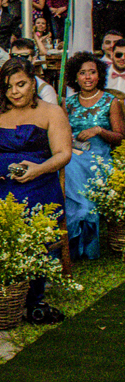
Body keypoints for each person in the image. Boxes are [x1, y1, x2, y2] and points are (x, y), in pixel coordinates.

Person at [0, 58, 72, 324]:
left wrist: (38, 169)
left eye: (21, 85)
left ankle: (33, 297)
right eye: (8, 87)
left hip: (38, 180)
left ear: (33, 83)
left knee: (31, 219)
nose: (15, 92)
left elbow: (64, 154)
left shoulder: (52, 112)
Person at [63, 53, 125, 260]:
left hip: (99, 155)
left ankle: (84, 226)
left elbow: (119, 137)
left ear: (99, 75)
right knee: (67, 163)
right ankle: (75, 233)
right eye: (82, 73)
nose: (88, 77)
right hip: (74, 152)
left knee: (70, 166)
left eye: (92, 72)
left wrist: (99, 130)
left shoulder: (111, 101)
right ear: (75, 77)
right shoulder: (68, 103)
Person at [5, 38, 59, 105]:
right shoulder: (1, 87)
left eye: (24, 57)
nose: (18, 62)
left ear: (34, 59)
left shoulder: (45, 90)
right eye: (14, 56)